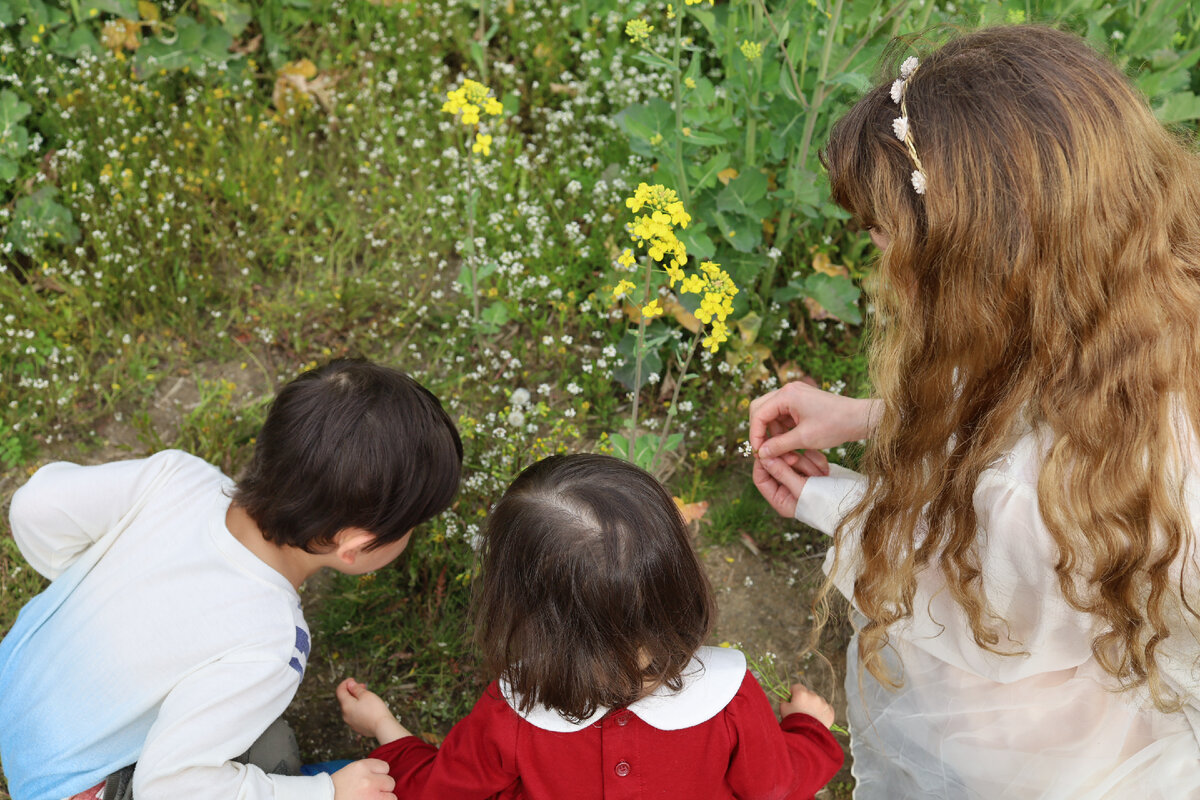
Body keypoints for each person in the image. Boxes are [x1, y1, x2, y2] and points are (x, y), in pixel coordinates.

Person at [749, 24, 1200, 799]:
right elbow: (1038, 396)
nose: (878, 261)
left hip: (1063, 751)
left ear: (989, 261)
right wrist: (869, 415)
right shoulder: (1148, 294)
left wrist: (830, 499)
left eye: (884, 236)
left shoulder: (1034, 500)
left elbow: (959, 608)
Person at [0, 358, 463, 800]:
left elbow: (33, 506)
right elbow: (169, 786)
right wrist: (325, 791)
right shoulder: (271, 642)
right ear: (356, 546)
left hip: (14, 684)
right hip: (64, 787)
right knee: (272, 751)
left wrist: (90, 584)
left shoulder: (176, 476)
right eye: (409, 527)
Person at [333, 453, 844, 799]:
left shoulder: (510, 712)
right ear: (678, 582)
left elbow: (443, 792)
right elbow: (776, 786)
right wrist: (810, 730)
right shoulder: (731, 699)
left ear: (516, 610)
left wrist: (386, 729)